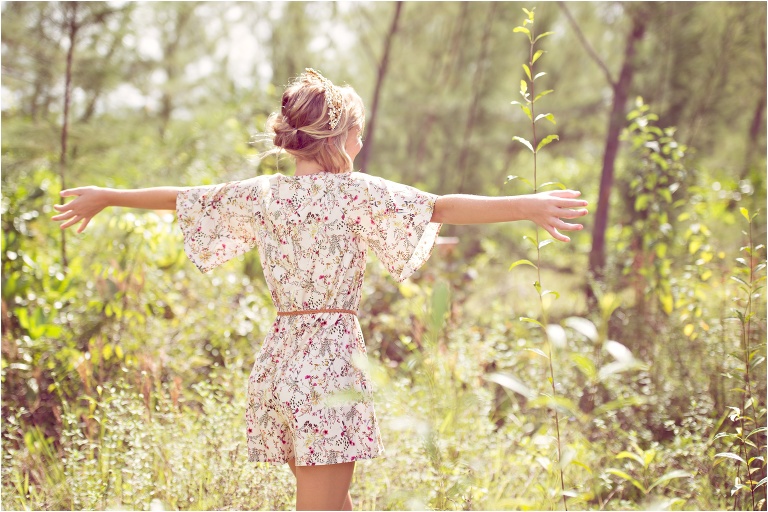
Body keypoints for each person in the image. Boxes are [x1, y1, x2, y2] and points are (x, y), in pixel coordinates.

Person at [52, 68, 588, 511]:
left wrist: (108, 195)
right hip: (329, 363)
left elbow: (188, 198)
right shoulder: (353, 192)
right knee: (323, 507)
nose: (362, 142)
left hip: (282, 361)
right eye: (357, 132)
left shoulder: (264, 194)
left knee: (337, 503)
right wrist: (528, 205)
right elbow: (440, 206)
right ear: (336, 137)